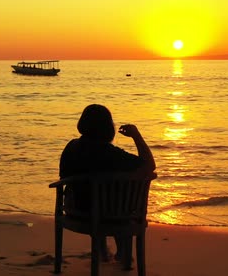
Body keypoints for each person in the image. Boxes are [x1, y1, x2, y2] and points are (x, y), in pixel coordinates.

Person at [59, 104, 156, 261]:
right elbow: (149, 166)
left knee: (96, 196)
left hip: (76, 211)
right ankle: (123, 252)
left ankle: (101, 249)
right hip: (113, 214)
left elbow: (63, 177)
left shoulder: (72, 147)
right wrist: (136, 136)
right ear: (108, 128)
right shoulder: (113, 155)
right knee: (117, 196)